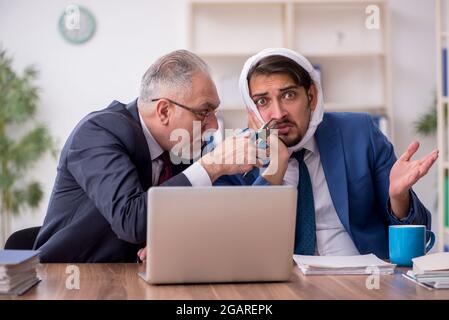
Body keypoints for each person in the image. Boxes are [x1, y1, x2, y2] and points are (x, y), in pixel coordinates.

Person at [33, 50, 261, 262]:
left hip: (135, 276)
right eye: (204, 112)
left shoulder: (184, 145)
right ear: (164, 111)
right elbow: (131, 221)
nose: (212, 125)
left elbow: (193, 213)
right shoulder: (98, 132)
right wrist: (212, 166)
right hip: (66, 277)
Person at [216, 48, 438, 258]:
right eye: (262, 101)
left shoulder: (359, 133)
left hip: (363, 280)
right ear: (252, 109)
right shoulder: (236, 155)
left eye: (289, 95)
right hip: (282, 284)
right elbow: (236, 246)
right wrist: (275, 166)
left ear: (311, 96)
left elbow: (419, 234)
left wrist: (399, 197)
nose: (278, 113)